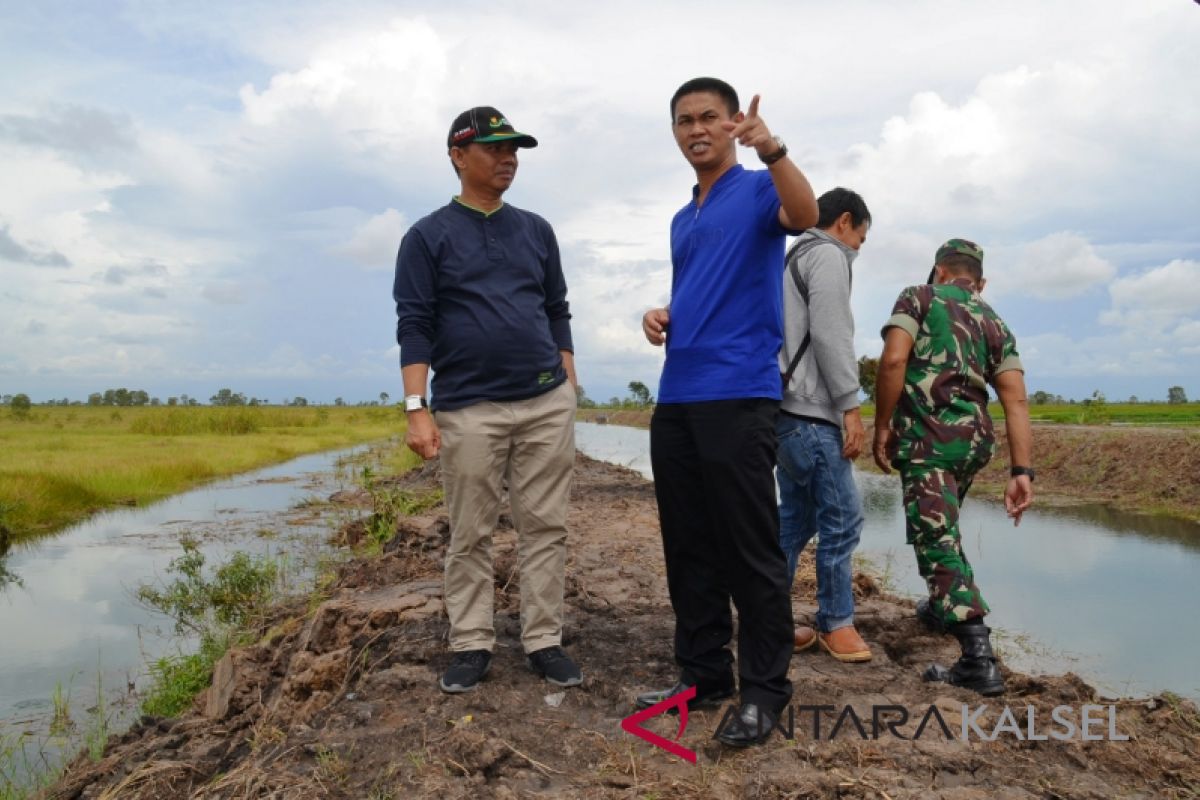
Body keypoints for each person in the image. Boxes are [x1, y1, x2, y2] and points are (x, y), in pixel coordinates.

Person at [636, 77, 819, 747]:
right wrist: (663, 315)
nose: (696, 129)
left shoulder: (758, 188)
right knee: (689, 547)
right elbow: (703, 291)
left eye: (709, 116)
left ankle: (765, 692)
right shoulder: (684, 217)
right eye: (684, 120)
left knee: (750, 549)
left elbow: (805, 216)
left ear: (733, 121)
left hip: (738, 395)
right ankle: (705, 675)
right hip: (678, 396)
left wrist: (773, 150)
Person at [393, 106, 581, 694]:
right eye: (495, 149)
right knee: (469, 531)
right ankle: (472, 642)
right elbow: (415, 321)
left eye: (514, 150)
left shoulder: (536, 229)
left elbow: (556, 308)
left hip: (545, 402)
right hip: (469, 407)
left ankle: (543, 639)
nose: (508, 159)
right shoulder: (427, 236)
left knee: (545, 527)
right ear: (457, 155)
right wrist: (415, 405)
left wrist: (569, 380)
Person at [871, 238, 1034, 696]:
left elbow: (895, 358)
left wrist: (882, 426)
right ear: (979, 282)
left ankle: (977, 657)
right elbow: (1015, 398)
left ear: (938, 271)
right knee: (943, 525)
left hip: (928, 438)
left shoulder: (918, 297)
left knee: (935, 537)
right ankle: (940, 605)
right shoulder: (995, 320)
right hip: (973, 442)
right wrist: (1022, 470)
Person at [776, 187, 872, 664]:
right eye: (861, 237)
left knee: (795, 520)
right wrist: (850, 406)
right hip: (813, 413)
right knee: (843, 518)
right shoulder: (829, 255)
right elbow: (834, 334)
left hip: (784, 413)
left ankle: (767, 618)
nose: (858, 248)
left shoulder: (791, 255)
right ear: (844, 222)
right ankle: (836, 622)